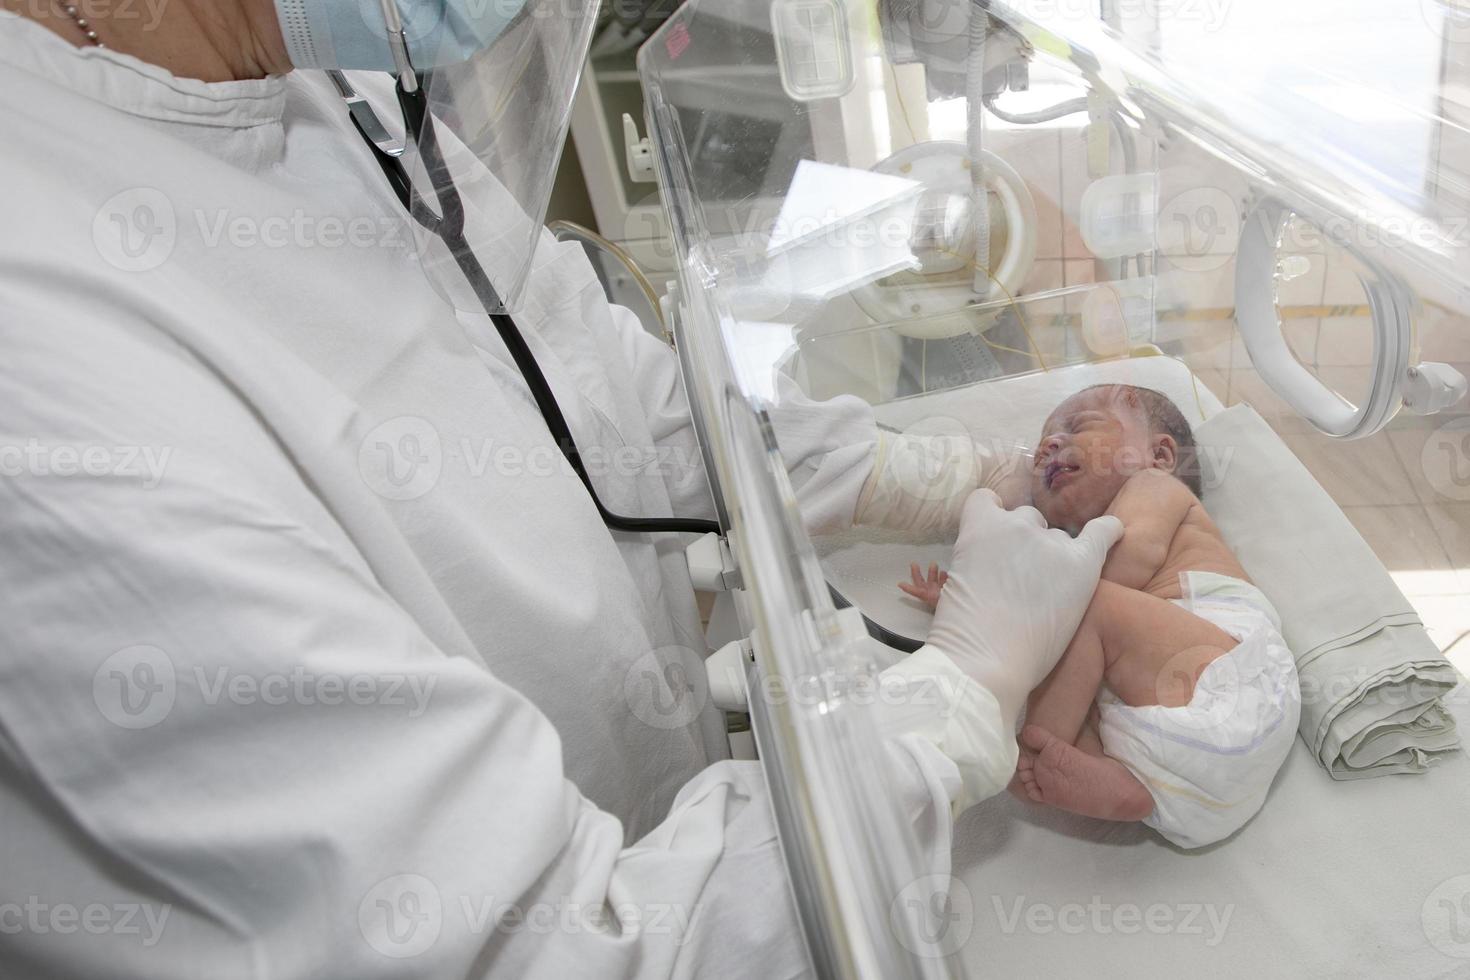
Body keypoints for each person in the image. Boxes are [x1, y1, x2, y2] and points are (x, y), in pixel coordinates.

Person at [0, 1, 1122, 975]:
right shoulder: (48, 386)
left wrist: (939, 472)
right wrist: (961, 693)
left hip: (671, 820)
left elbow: (605, 377)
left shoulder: (321, 69)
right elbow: (548, 949)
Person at [902, 384, 1300, 849]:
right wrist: (974, 602)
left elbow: (1130, 560)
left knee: (1090, 607)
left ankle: (1031, 745)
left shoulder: (1154, 487)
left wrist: (1003, 600)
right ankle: (1125, 784)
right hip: (1182, 770)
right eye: (1042, 446)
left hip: (1232, 679)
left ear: (1160, 454)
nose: (1049, 445)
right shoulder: (1076, 557)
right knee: (1076, 669)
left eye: (1078, 427)